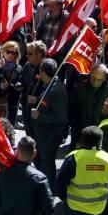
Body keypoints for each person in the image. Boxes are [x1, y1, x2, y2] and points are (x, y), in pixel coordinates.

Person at [30, 58, 68, 189]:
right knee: (42, 162)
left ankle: (49, 189)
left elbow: (61, 118)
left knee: (47, 164)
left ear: (43, 72)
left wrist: (40, 116)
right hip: (43, 133)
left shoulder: (56, 89)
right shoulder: (48, 85)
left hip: (50, 135)